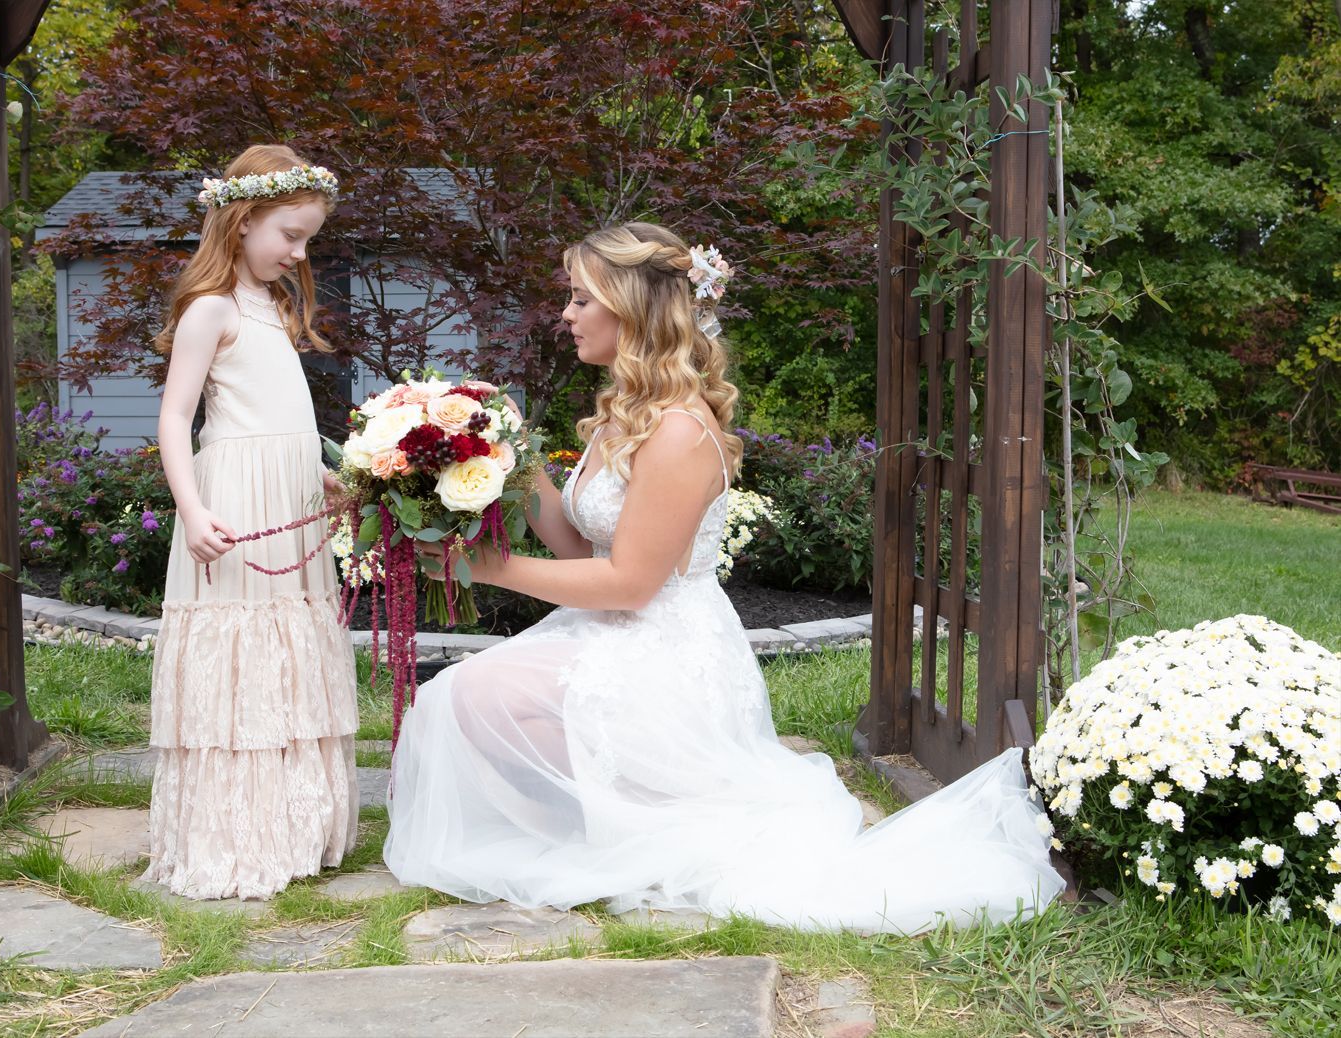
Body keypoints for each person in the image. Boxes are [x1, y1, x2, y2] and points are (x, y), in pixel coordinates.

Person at [383, 222, 1062, 934]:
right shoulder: (625, 417)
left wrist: (485, 566)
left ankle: (663, 827)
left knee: (472, 693)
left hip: (661, 643)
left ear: (633, 310)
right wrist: (512, 455)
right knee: (468, 698)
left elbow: (629, 583)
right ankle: (626, 826)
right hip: (617, 629)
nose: (566, 313)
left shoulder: (677, 430)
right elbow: (578, 544)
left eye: (582, 299)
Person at [143, 144, 358, 900]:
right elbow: (176, 416)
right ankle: (232, 833)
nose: (299, 252)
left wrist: (322, 475)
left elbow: (280, 416)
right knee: (241, 648)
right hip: (234, 497)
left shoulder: (272, 307)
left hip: (290, 498)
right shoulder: (213, 308)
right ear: (240, 223)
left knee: (289, 645)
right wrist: (192, 508)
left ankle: (292, 823)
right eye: (289, 236)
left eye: (307, 239)